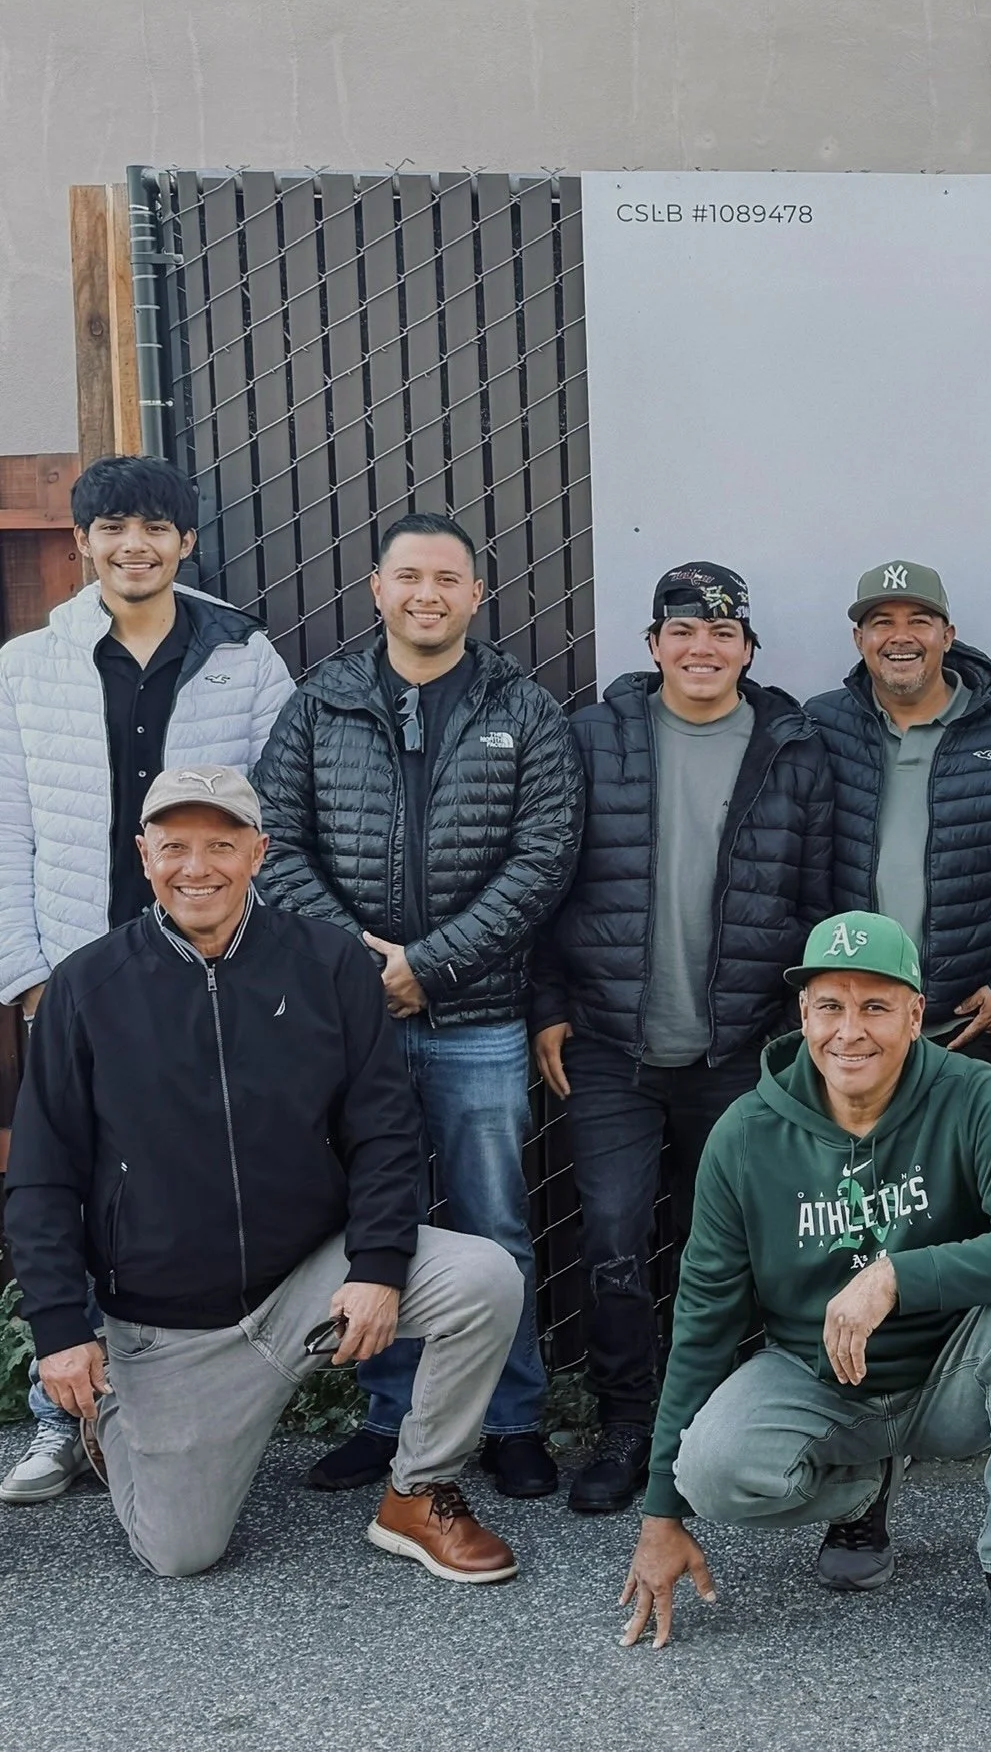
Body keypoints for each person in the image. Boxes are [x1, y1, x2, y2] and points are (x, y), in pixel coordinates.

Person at [4, 767, 525, 1581]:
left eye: (221, 845)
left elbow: (384, 1129)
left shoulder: (328, 963)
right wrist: (62, 1330)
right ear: (144, 856)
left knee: (483, 1276)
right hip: (173, 1328)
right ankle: (115, 1419)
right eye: (175, 846)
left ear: (259, 852)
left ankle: (418, 1491)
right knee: (180, 1554)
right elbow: (41, 1174)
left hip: (309, 1283)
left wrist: (378, 1267)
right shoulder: (87, 985)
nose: (197, 867)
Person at [617, 912, 991, 1675]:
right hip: (821, 1381)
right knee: (708, 1469)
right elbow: (703, 1321)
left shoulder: (970, 1093)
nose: (850, 1031)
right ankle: (865, 1491)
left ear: (915, 1015)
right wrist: (660, 1517)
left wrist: (897, 1276)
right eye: (830, 1006)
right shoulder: (746, 1135)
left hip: (952, 1375)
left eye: (875, 1006)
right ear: (804, 1015)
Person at [252, 513, 583, 1501]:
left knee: (494, 1225)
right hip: (354, 1024)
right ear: (377, 588)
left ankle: (513, 1420)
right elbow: (275, 840)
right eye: (408, 576)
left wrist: (430, 966)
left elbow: (544, 856)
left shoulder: (524, 709)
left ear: (477, 594)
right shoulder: (321, 704)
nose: (426, 593)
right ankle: (389, 1415)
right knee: (376, 1223)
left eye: (446, 578)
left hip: (479, 1017)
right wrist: (365, 967)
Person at [0, 454, 293, 1508]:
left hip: (205, 966)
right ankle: (61, 1417)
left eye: (156, 528)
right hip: (76, 969)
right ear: (83, 542)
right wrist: (30, 975)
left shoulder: (241, 656)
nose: (136, 545)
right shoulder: (27, 664)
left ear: (186, 542)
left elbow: (281, 815)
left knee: (187, 1180)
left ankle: (184, 1408)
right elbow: (6, 827)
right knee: (69, 1177)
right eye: (114, 527)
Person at [530, 561, 833, 1514]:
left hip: (739, 1046)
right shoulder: (593, 738)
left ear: (748, 648)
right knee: (614, 1237)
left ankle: (716, 1423)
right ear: (654, 644)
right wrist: (547, 1003)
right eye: (683, 631)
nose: (703, 648)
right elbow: (546, 879)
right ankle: (630, 1421)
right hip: (609, 1042)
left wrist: (794, 1025)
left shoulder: (792, 748)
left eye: (723, 633)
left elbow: (819, 897)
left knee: (735, 1242)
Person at [806, 561, 991, 1092]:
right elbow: (789, 865)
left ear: (948, 635)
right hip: (850, 1028)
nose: (901, 637)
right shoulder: (820, 726)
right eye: (882, 622)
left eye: (919, 620)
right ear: (859, 639)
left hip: (970, 1026)